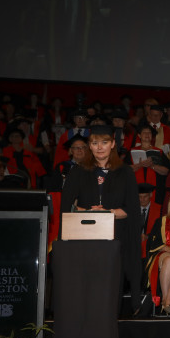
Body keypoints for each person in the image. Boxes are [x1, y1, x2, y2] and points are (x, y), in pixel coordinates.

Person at [61, 125, 143, 316]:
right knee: (86, 284)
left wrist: (107, 213)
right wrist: (90, 213)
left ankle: (108, 320)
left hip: (115, 239)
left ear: (113, 144)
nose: (99, 147)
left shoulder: (125, 172)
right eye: (95, 143)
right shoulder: (78, 171)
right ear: (89, 146)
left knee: (110, 285)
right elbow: (67, 207)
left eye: (104, 142)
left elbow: (131, 210)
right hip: (84, 238)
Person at [130, 125, 170, 205]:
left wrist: (152, 166)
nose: (147, 134)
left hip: (156, 190)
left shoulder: (159, 152)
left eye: (149, 132)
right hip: (135, 189)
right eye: (144, 132)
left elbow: (166, 171)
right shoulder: (132, 151)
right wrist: (140, 165)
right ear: (139, 135)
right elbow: (126, 170)